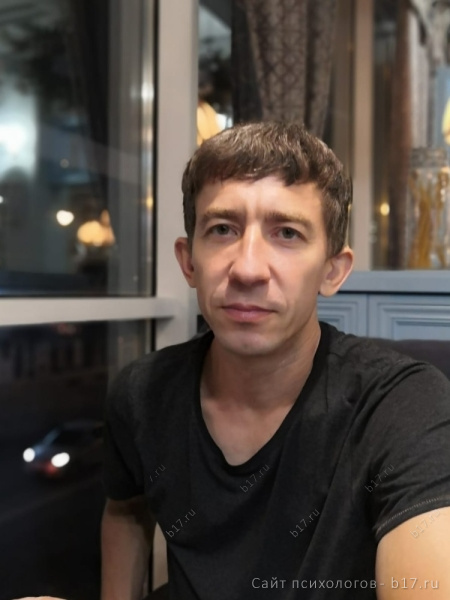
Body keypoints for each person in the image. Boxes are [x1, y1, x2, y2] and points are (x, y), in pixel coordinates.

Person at [101, 122, 450, 600]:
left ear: (332, 270)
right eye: (222, 230)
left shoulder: (402, 406)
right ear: (189, 262)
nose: (247, 269)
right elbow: (124, 509)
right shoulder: (141, 394)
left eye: (287, 233)